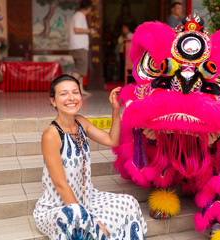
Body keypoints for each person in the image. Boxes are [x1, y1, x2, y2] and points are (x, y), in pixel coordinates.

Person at [33, 74, 148, 240]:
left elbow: (112, 140)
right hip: (60, 207)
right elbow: (60, 184)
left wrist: (115, 110)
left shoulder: (81, 123)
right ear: (53, 101)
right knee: (80, 220)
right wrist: (87, 218)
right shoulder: (51, 135)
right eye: (64, 94)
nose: (71, 98)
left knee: (128, 203)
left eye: (75, 92)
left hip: (88, 198)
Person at [69, 0, 95, 96]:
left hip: (79, 46)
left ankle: (80, 90)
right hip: (79, 47)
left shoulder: (79, 16)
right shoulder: (79, 16)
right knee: (79, 70)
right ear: (88, 8)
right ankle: (69, 89)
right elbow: (77, 29)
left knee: (80, 69)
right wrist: (89, 31)